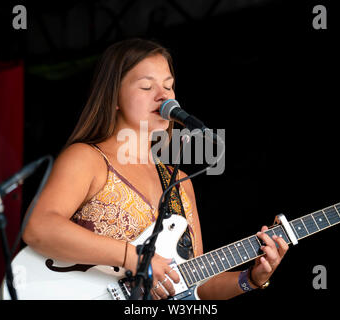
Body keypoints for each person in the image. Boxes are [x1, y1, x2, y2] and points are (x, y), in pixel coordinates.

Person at [22, 38, 289, 300]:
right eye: (147, 86)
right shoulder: (87, 158)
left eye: (169, 87)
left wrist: (251, 279)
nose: (163, 97)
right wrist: (135, 257)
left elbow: (192, 281)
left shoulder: (179, 182)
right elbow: (39, 227)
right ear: (114, 97)